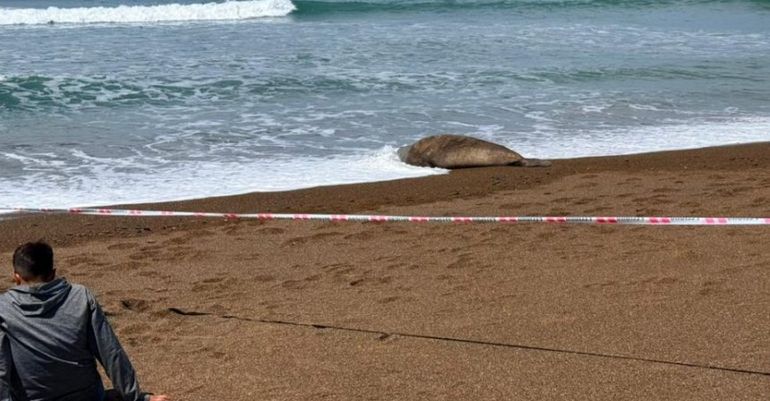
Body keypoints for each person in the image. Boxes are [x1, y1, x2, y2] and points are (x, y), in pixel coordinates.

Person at [0, 241, 170, 401]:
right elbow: (110, 351)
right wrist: (136, 396)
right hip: (87, 395)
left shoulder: (4, 308)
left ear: (16, 277)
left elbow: (2, 368)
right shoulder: (80, 296)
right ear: (53, 273)